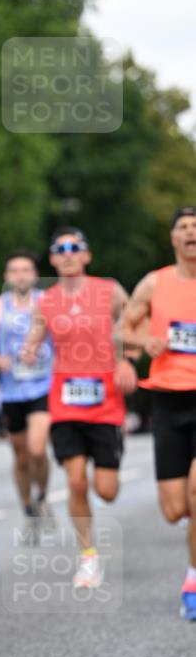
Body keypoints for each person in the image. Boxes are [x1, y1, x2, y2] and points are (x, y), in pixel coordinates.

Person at [21, 227, 137, 588]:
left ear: (87, 255)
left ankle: (105, 481)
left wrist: (128, 359)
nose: (68, 253)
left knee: (106, 490)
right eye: (60, 249)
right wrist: (29, 351)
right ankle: (89, 557)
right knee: (74, 481)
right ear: (52, 259)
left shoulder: (110, 290)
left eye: (75, 247)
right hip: (66, 402)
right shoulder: (47, 301)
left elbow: (135, 323)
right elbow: (35, 338)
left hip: (106, 404)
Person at [123, 206, 196, 620]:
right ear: (173, 238)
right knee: (174, 509)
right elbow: (121, 329)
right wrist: (141, 341)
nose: (190, 233)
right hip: (168, 399)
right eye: (183, 227)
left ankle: (192, 578)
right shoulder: (155, 283)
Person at [0, 251, 55, 540]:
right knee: (21, 457)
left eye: (26, 269)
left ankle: (44, 495)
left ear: (35, 274)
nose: (20, 275)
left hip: (43, 386)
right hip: (11, 390)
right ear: (6, 277)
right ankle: (28, 506)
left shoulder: (48, 302)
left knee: (37, 448)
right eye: (14, 270)